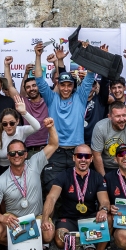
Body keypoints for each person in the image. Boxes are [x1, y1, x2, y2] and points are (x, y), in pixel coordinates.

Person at [41, 144, 114, 250]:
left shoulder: (97, 177)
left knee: (108, 218)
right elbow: (51, 197)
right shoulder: (63, 175)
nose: (83, 159)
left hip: (89, 219)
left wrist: (103, 210)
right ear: (74, 158)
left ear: (91, 159)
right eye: (80, 156)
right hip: (69, 219)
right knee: (59, 239)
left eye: (87, 156)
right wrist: (45, 218)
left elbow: (105, 201)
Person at [34, 42, 96, 187]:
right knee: (51, 188)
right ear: (58, 85)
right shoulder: (51, 98)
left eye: (69, 85)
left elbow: (90, 75)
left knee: (79, 189)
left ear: (73, 86)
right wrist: (38, 56)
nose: (66, 88)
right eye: (63, 85)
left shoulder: (80, 97)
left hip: (77, 153)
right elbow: (39, 79)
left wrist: (87, 52)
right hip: (56, 151)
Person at [0, 120, 59, 248]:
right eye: (12, 153)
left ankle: (21, 243)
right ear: (8, 156)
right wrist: (2, 218)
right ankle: (27, 244)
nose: (17, 155)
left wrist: (51, 127)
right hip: (14, 219)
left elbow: (54, 144)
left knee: (49, 234)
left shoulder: (34, 163)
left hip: (36, 217)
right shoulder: (0, 181)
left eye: (20, 152)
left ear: (26, 154)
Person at [3, 58, 50, 158]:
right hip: (30, 150)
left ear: (39, 86)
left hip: (48, 148)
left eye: (34, 85)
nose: (31, 89)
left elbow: (59, 84)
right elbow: (10, 86)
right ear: (25, 90)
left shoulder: (49, 101)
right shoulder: (23, 103)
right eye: (28, 87)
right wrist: (7, 66)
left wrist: (56, 61)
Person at [0, 103, 41, 182]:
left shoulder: (22, 131)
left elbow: (37, 127)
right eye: (5, 124)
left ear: (17, 121)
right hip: (2, 170)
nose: (8, 126)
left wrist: (24, 113)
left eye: (11, 123)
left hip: (19, 167)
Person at [91, 102, 126, 175]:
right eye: (118, 116)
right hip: (107, 166)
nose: (122, 119)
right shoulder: (100, 127)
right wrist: (104, 178)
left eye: (124, 115)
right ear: (109, 117)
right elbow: (96, 155)